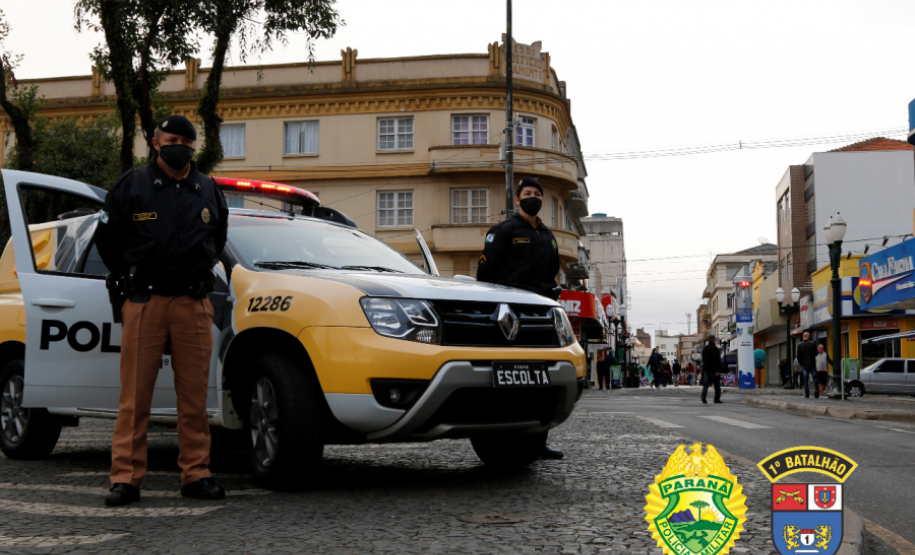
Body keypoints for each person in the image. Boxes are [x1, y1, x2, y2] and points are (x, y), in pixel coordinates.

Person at [95, 115, 229, 506]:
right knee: (135, 397)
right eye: (171, 139)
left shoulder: (206, 188)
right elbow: (106, 238)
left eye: (187, 141)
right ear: (155, 143)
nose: (180, 146)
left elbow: (218, 237)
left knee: (194, 398)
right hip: (145, 301)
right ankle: (125, 478)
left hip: (192, 303)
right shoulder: (131, 184)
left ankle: (196, 474)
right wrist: (125, 274)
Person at [477, 176, 563, 460]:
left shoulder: (548, 236)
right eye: (528, 193)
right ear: (517, 199)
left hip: (541, 314)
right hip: (510, 318)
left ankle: (538, 443)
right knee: (509, 381)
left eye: (538, 194)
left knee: (543, 382)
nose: (533, 198)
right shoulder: (504, 231)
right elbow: (485, 276)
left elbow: (552, 272)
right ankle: (496, 442)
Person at [796, 332, 819, 399]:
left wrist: (801, 363)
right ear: (809, 337)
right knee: (815, 378)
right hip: (812, 364)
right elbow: (816, 354)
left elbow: (798, 356)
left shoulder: (800, 345)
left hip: (804, 365)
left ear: (803, 337)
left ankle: (807, 393)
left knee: (805, 380)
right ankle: (816, 391)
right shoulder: (813, 344)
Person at [701, 336, 722, 404]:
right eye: (715, 340)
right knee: (716, 385)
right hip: (714, 370)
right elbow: (717, 360)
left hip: (706, 369)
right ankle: (716, 399)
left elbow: (703, 360)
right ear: (713, 341)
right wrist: (718, 370)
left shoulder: (705, 349)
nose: (716, 341)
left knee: (706, 384)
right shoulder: (715, 349)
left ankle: (703, 397)